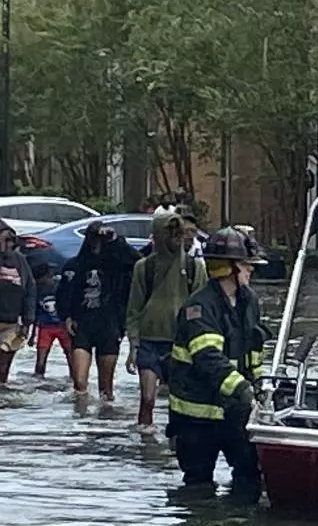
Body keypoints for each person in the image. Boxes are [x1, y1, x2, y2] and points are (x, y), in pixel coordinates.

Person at [166, 227, 271, 502]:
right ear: (229, 269)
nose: (251, 271)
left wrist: (261, 388)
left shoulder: (249, 302)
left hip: (234, 414)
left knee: (249, 478)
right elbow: (209, 359)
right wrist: (244, 391)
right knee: (198, 489)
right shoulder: (199, 308)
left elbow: (254, 353)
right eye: (247, 265)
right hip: (196, 419)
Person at [125, 210, 208, 434]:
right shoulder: (144, 267)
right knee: (147, 398)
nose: (175, 236)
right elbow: (133, 310)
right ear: (158, 235)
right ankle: (145, 440)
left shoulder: (194, 267)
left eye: (178, 231)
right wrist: (134, 345)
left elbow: (201, 309)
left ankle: (176, 442)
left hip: (180, 345)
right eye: (169, 231)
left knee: (179, 404)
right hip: (149, 343)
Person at [57, 221, 140, 400]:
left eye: (99, 238)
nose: (96, 242)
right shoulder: (76, 265)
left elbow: (137, 260)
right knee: (79, 383)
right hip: (82, 325)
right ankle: (80, 418)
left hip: (109, 326)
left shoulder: (117, 265)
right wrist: (67, 317)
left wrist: (115, 239)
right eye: (93, 237)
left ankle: (104, 422)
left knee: (106, 389)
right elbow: (63, 294)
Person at [0, 220, 36, 385]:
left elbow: (30, 290)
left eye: (11, 241)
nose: (8, 245)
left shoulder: (19, 260)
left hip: (12, 323)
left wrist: (28, 320)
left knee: (3, 367)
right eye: (4, 240)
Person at [30, 263, 72, 378]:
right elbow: (35, 314)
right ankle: (38, 381)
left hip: (62, 325)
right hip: (45, 327)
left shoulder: (61, 287)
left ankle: (75, 381)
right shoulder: (37, 290)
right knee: (40, 360)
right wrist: (32, 335)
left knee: (71, 356)